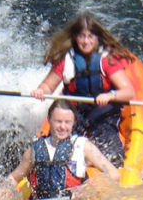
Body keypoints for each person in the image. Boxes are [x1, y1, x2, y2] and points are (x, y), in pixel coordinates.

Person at [31, 13, 136, 168]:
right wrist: (40, 90)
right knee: (61, 149)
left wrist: (110, 95)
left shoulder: (107, 60)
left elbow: (128, 92)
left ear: (97, 38)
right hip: (74, 114)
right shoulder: (66, 60)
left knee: (114, 156)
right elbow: (48, 86)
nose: (86, 41)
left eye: (90, 37)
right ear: (75, 37)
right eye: (81, 36)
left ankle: (98, 164)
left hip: (102, 113)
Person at [0, 100, 120, 200]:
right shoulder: (34, 150)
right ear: (50, 120)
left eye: (67, 122)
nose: (63, 127)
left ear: (73, 123)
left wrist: (88, 188)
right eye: (58, 121)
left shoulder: (83, 147)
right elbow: (14, 178)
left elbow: (114, 174)